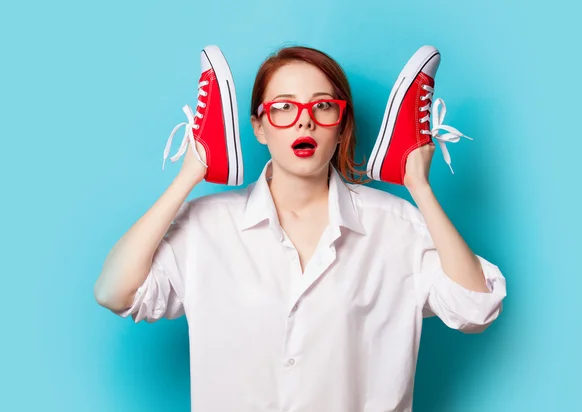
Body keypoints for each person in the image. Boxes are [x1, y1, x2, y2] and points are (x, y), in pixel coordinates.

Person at [94, 44, 507, 412]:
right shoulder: (207, 226)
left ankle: (399, 155)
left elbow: (476, 308)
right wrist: (191, 173)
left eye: (323, 106)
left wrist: (418, 185)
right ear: (258, 126)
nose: (304, 122)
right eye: (283, 107)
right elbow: (114, 292)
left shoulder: (395, 225)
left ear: (342, 124)